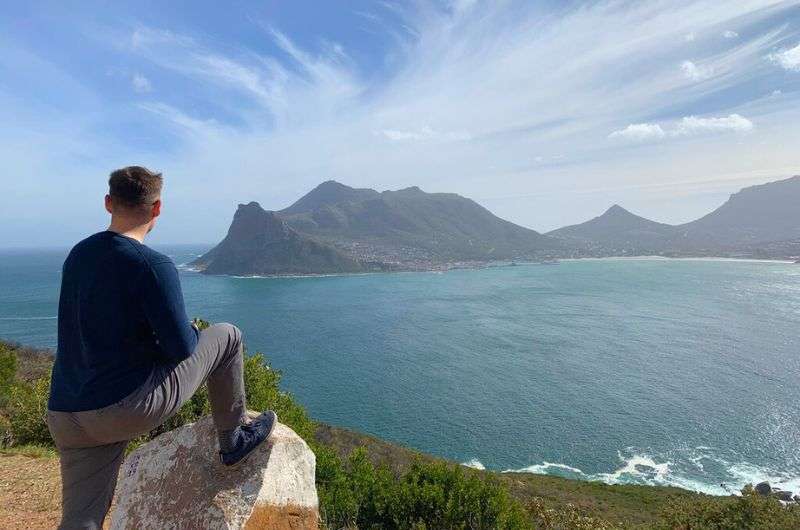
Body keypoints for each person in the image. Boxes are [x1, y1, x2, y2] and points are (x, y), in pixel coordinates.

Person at [46, 166, 277, 529]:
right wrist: (190, 329)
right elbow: (182, 348)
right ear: (157, 209)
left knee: (81, 520)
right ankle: (233, 440)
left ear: (108, 203)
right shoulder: (152, 264)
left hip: (66, 412)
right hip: (122, 408)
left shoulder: (78, 255)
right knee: (227, 335)